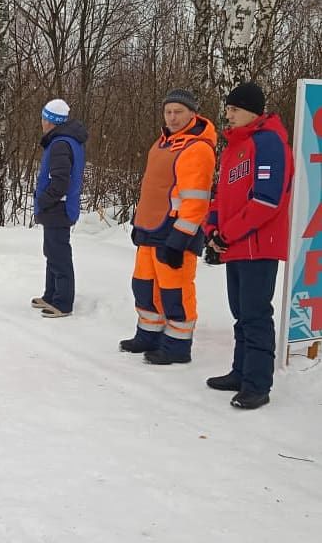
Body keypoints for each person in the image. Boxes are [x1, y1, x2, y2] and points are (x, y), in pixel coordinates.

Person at [205, 82, 294, 410]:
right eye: (227, 109)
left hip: (258, 244)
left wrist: (228, 234)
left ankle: (257, 384)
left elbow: (266, 201)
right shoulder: (233, 146)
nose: (228, 115)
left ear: (253, 111)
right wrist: (212, 229)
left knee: (256, 314)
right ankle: (240, 372)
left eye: (235, 109)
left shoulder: (269, 142)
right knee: (240, 313)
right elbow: (221, 195)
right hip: (234, 243)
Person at [120, 89, 216, 363]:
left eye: (179, 112)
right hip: (150, 229)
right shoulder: (161, 143)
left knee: (176, 291)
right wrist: (139, 223)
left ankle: (176, 345)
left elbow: (196, 199)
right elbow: (154, 188)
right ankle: (148, 334)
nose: (172, 118)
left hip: (175, 232)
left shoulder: (197, 148)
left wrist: (181, 237)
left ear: (192, 114)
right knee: (144, 286)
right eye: (168, 112)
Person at [31, 98, 88, 317]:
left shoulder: (60, 144)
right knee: (52, 251)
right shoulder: (65, 141)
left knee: (59, 254)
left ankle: (63, 302)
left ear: (50, 121)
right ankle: (51, 295)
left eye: (44, 118)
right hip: (59, 206)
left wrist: (44, 200)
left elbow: (60, 180)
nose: (42, 122)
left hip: (58, 207)